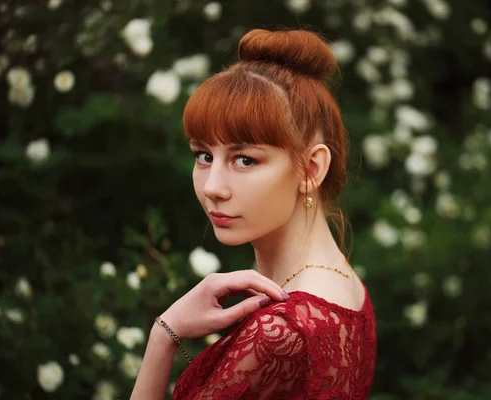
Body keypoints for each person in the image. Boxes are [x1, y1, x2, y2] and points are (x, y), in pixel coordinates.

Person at [130, 28, 377, 400]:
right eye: (203, 155)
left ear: (311, 169)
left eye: (245, 159)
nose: (213, 186)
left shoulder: (280, 332)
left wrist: (164, 335)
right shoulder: (345, 286)